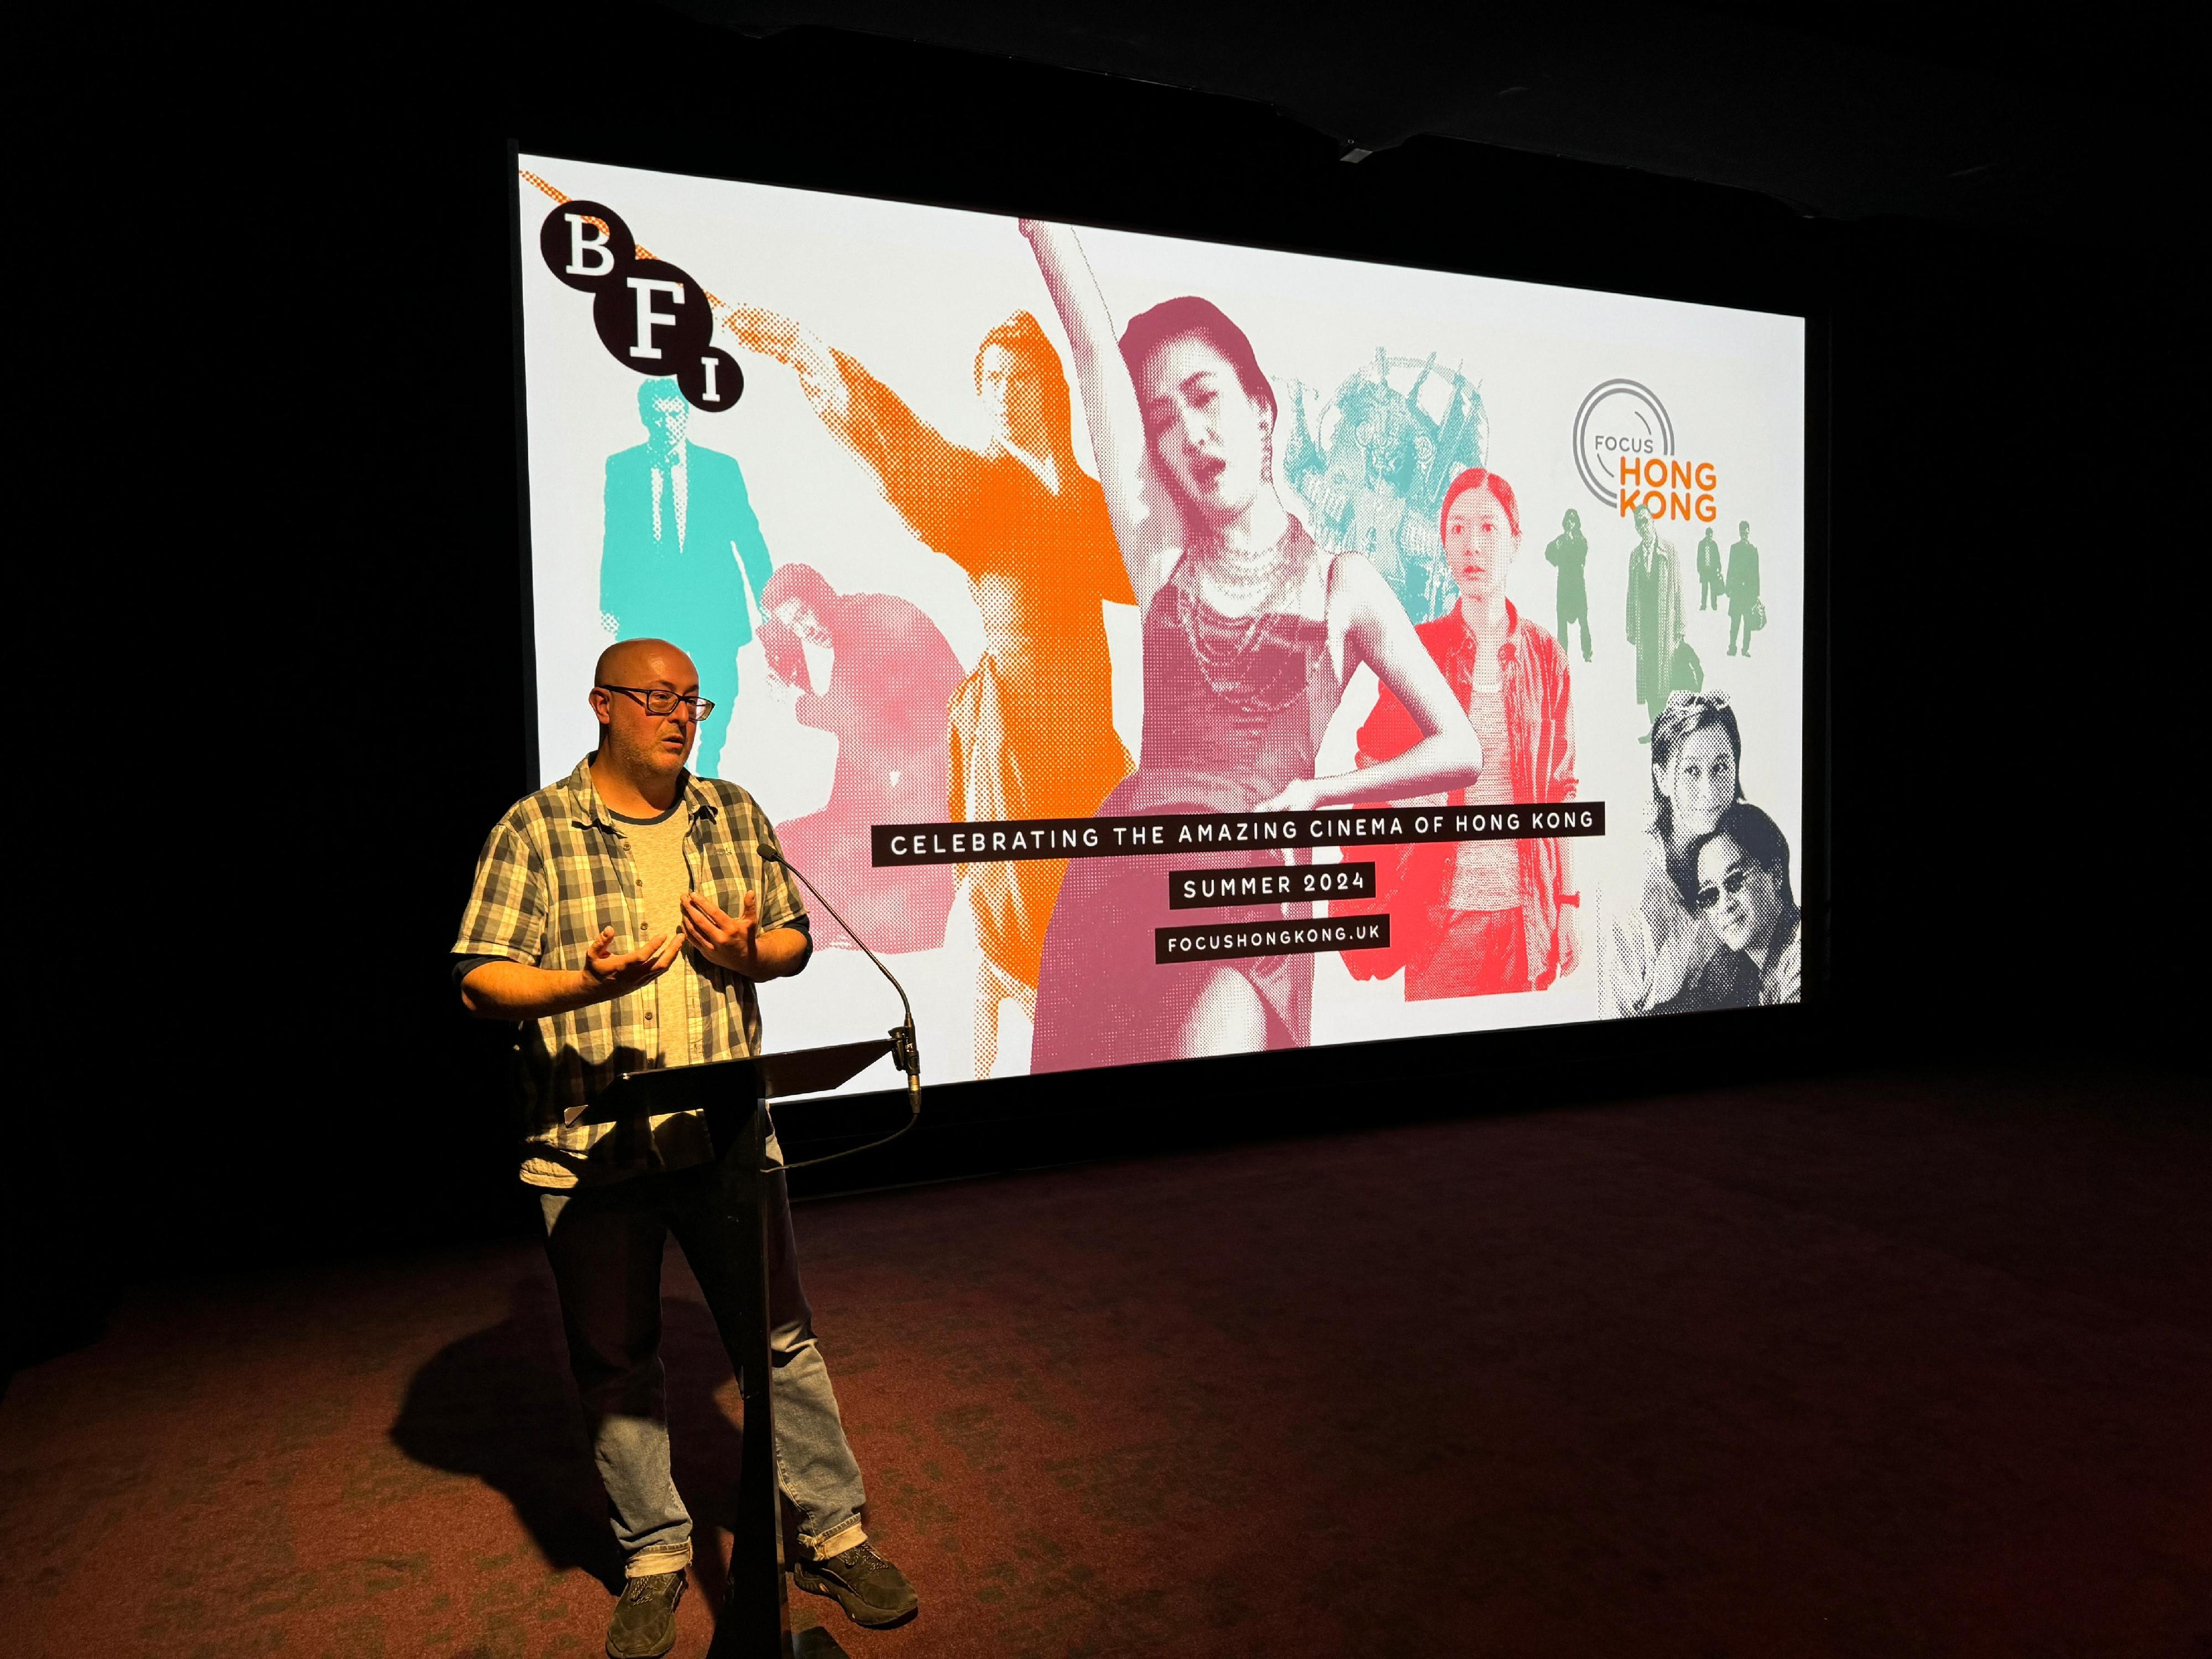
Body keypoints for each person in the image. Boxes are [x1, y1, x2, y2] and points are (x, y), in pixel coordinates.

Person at [451, 638, 918, 1656]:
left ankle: (834, 1535)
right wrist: (584, 984)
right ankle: (656, 1555)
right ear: (602, 707)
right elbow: (482, 980)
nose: (679, 716)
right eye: (658, 699)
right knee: (617, 1361)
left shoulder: (735, 813)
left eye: (692, 702)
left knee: (781, 1342)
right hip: (588, 1148)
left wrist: (755, 953)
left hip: (729, 1137)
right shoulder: (535, 830)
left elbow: (794, 940)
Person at [1018, 220, 1481, 1067]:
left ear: (1262, 410)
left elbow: (1460, 748)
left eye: (1205, 397)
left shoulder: (1347, 584)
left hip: (1250, 886)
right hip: (1126, 880)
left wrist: (1323, 793)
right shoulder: (1160, 552)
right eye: (1162, 419)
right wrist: (1038, 220)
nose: (1191, 432)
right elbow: (1089, 345)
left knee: (1215, 1145)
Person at [726, 304, 1133, 1078]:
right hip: (1013, 738)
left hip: (1088, 732)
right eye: (991, 379)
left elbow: (1155, 565)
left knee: (1092, 918)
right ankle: (979, 1100)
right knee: (1005, 920)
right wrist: (807, 348)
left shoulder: (1089, 500)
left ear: (1050, 388)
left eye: (1021, 377)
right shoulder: (978, 489)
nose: (1006, 392)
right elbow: (899, 441)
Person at [1337, 469, 1580, 998]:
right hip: (1441, 920)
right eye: (1458, 529)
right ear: (1444, 542)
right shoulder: (1417, 652)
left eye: (1488, 530)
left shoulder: (1546, 658)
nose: (1472, 546)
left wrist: (1568, 903)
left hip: (1526, 917)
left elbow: (1562, 791)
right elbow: (1374, 772)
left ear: (1516, 542)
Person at [758, 563, 963, 955]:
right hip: (910, 755)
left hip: (934, 760)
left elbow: (855, 717)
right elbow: (859, 717)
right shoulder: (854, 619)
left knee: (840, 852)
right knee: (804, 840)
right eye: (793, 625)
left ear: (818, 595)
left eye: (803, 614)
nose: (804, 629)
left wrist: (795, 701)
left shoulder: (863, 626)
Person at [601, 380, 776, 779]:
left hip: (712, 603)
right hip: (652, 604)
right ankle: (660, 767)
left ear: (687, 416)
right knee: (648, 693)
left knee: (722, 688)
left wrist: (768, 598)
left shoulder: (720, 468)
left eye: (675, 413)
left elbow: (748, 536)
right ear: (646, 417)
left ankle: (710, 758)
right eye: (658, 414)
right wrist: (609, 601)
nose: (667, 422)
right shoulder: (623, 467)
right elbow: (616, 538)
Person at [1599, 691, 1745, 1017]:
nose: (1709, 790)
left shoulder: (1754, 852)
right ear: (1663, 777)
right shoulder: (1632, 886)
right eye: (1692, 772)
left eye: (1721, 768)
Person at [1675, 801, 1803, 1008]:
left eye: (1734, 881)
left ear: (1775, 874)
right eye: (1710, 895)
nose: (1725, 905)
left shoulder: (1800, 957)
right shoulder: (1741, 972)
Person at [1625, 499, 1684, 740]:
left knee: (1667, 677)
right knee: (1649, 677)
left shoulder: (1669, 551)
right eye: (1639, 524)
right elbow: (1631, 594)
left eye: (1645, 521)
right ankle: (1656, 728)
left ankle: (1672, 728)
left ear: (1653, 521)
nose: (1643, 527)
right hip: (1645, 627)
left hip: (1665, 625)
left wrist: (1680, 626)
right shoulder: (1635, 556)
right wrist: (1630, 627)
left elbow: (1679, 590)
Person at [1544, 508, 1592, 661]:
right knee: (1562, 623)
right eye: (1568, 521)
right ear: (1565, 523)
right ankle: (1562, 655)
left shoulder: (1581, 541)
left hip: (1577, 586)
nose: (1571, 524)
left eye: (1573, 521)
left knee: (1583, 620)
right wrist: (1559, 546)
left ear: (1577, 523)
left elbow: (1581, 556)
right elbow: (1550, 555)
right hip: (1564, 586)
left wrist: (1566, 545)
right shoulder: (1561, 540)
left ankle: (1587, 652)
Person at [1727, 519, 1762, 658]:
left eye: (1746, 532)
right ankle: (1732, 648)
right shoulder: (1734, 549)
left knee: (1748, 623)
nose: (1744, 534)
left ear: (1749, 532)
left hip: (1749, 594)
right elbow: (1730, 569)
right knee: (1735, 621)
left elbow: (1756, 573)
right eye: (1742, 532)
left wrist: (1756, 593)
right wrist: (1728, 588)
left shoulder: (1753, 551)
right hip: (1736, 592)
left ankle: (1745, 649)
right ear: (1740, 533)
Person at [1695, 523, 1723, 611]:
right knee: (1704, 589)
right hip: (1704, 571)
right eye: (1709, 536)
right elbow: (1699, 557)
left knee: (1713, 589)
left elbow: (1717, 557)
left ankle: (1714, 605)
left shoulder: (1714, 545)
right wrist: (1699, 569)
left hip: (1713, 571)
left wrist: (1719, 568)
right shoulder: (1701, 544)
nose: (1710, 538)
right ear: (1706, 535)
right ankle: (1703, 605)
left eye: (1711, 536)